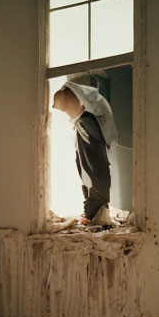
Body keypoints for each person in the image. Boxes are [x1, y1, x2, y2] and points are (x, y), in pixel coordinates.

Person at [52, 82, 117, 224]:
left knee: (96, 190)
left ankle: (94, 216)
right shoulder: (83, 121)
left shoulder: (86, 120)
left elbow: (93, 154)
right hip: (93, 173)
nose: (67, 112)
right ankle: (92, 214)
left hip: (96, 173)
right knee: (92, 188)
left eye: (66, 108)